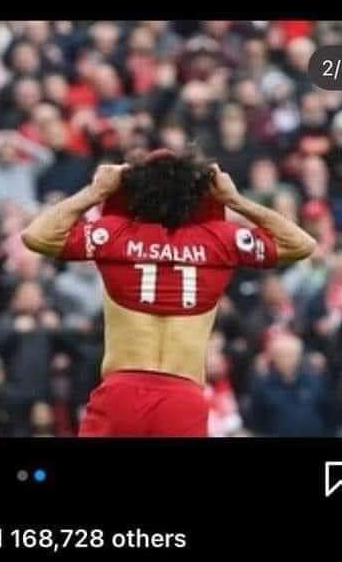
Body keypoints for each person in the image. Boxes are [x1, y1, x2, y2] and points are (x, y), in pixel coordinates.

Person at [21, 147, 317, 436]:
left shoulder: (114, 233)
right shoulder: (220, 240)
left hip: (121, 394)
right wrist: (236, 200)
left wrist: (95, 193)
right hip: (182, 398)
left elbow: (37, 236)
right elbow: (301, 244)